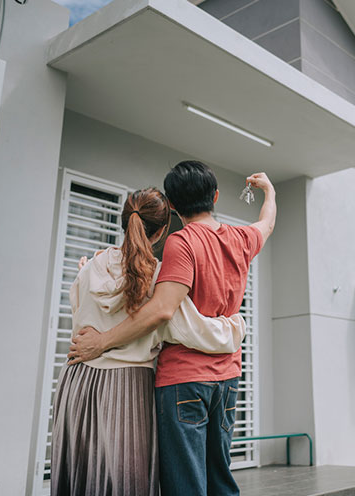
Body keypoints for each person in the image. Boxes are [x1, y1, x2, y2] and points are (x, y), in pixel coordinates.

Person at [67, 161, 276, 496]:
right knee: (221, 478)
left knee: (185, 484)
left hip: (184, 381)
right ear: (216, 196)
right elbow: (266, 223)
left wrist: (102, 341)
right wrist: (270, 191)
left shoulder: (182, 242)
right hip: (228, 379)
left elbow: (161, 309)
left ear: (174, 206)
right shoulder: (241, 238)